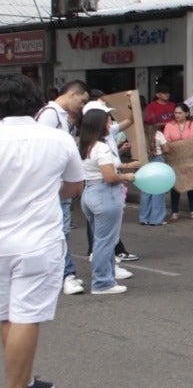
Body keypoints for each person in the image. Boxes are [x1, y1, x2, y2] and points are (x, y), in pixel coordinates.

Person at [0, 74, 85, 388]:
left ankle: (23, 380)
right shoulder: (57, 139)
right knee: (26, 315)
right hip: (37, 240)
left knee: (7, 314)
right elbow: (75, 185)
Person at [76, 108, 137, 295]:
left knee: (101, 240)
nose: (110, 124)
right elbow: (110, 176)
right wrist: (126, 176)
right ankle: (102, 282)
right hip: (104, 193)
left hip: (89, 191)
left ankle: (106, 278)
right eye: (108, 121)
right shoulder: (101, 147)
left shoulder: (83, 144)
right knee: (105, 241)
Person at [37, 80, 89, 295]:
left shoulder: (59, 115)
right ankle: (66, 274)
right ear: (72, 94)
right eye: (82, 100)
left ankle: (62, 273)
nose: (82, 106)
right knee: (60, 231)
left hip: (59, 183)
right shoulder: (50, 114)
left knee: (61, 230)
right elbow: (42, 149)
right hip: (55, 184)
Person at [162, 103, 193, 219]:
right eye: (175, 113)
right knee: (175, 184)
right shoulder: (169, 125)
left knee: (191, 184)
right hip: (174, 158)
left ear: (187, 113)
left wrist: (178, 144)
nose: (177, 115)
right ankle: (175, 211)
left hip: (189, 157)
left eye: (180, 113)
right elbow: (166, 139)